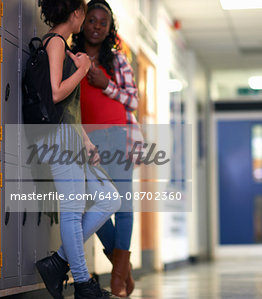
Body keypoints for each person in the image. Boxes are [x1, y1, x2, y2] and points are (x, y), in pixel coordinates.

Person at [34, 0, 121, 298]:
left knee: (109, 199)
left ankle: (58, 262)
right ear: (76, 13)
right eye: (84, 11)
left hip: (70, 138)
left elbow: (68, 108)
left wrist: (85, 141)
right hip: (58, 140)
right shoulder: (55, 42)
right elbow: (57, 92)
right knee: (72, 213)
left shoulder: (60, 44)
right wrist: (83, 69)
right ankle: (83, 284)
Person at [71, 0, 140, 296]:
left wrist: (105, 83)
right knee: (92, 205)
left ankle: (116, 279)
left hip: (117, 138)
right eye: (92, 20)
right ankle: (123, 269)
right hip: (86, 141)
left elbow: (134, 101)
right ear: (83, 22)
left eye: (103, 22)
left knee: (123, 208)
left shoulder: (118, 61)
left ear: (110, 28)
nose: (97, 27)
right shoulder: (72, 57)